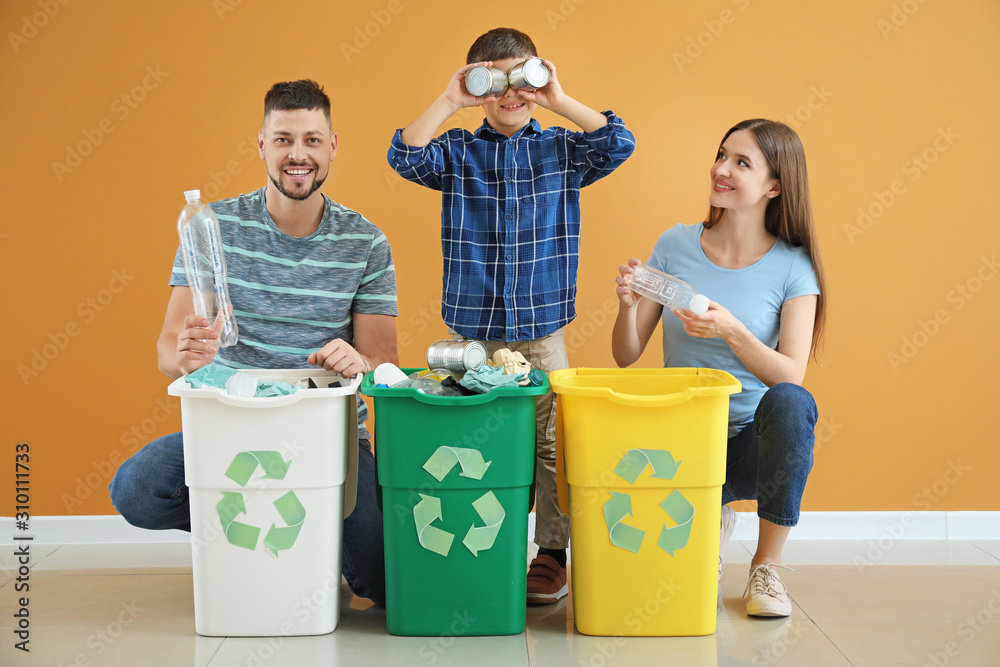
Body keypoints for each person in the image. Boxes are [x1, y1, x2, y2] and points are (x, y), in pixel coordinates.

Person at [110, 80, 398, 606]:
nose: (298, 154)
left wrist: (359, 361)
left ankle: (306, 539)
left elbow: (385, 366)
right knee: (137, 489)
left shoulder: (365, 241)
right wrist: (185, 357)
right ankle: (271, 531)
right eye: (283, 139)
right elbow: (168, 348)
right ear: (261, 145)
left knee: (384, 583)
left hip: (331, 439)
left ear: (332, 147)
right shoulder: (212, 228)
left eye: (312, 140)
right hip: (232, 428)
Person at [386, 27, 635, 605]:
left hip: (543, 331)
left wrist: (555, 97)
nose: (510, 92)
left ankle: (552, 553)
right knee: (474, 442)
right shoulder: (457, 154)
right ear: (476, 86)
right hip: (470, 334)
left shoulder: (563, 152)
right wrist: (450, 100)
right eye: (494, 81)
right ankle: (486, 543)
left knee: (551, 444)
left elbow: (618, 142)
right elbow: (404, 154)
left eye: (521, 78)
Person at [611, 119, 825, 618]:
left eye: (741, 162)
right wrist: (626, 306)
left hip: (750, 442)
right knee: (677, 589)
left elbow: (791, 375)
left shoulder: (795, 267)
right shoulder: (675, 244)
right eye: (721, 155)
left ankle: (766, 568)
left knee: (793, 403)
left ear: (775, 186)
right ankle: (711, 512)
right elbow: (626, 354)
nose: (720, 169)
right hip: (679, 439)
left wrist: (732, 331)